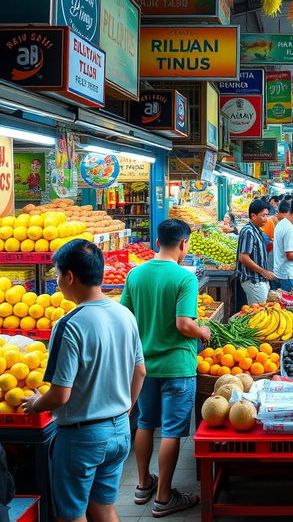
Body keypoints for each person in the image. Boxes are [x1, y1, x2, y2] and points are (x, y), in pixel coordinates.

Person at [21, 239, 146, 522]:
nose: (56, 280)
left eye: (56, 274)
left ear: (69, 276)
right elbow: (140, 371)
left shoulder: (69, 324)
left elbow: (60, 395)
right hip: (119, 431)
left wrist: (35, 404)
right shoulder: (125, 314)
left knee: (72, 514)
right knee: (103, 507)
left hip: (83, 437)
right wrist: (125, 409)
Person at [121, 219, 210, 517]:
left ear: (157, 241)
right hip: (176, 367)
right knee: (172, 431)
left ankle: (143, 484)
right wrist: (203, 332)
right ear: (183, 244)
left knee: (145, 423)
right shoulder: (185, 278)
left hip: (143, 366)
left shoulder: (135, 274)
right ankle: (163, 497)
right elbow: (184, 324)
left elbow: (126, 319)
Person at [236, 200, 275, 305]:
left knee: (262, 311)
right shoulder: (248, 231)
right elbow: (243, 257)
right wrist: (264, 272)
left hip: (260, 280)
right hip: (253, 280)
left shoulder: (256, 230)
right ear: (253, 216)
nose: (266, 219)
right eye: (264, 216)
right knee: (259, 313)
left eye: (267, 215)